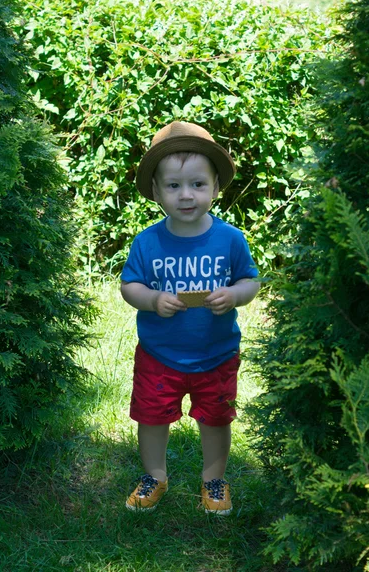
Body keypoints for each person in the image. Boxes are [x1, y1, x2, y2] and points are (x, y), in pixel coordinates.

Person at [121, 121, 260, 515]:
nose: (187, 195)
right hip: (159, 354)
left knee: (216, 419)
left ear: (216, 188)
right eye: (174, 186)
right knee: (151, 418)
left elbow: (251, 282)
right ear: (156, 191)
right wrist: (151, 300)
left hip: (216, 354)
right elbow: (129, 286)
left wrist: (233, 295)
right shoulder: (147, 241)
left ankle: (213, 480)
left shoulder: (230, 239)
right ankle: (155, 475)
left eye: (198, 185)